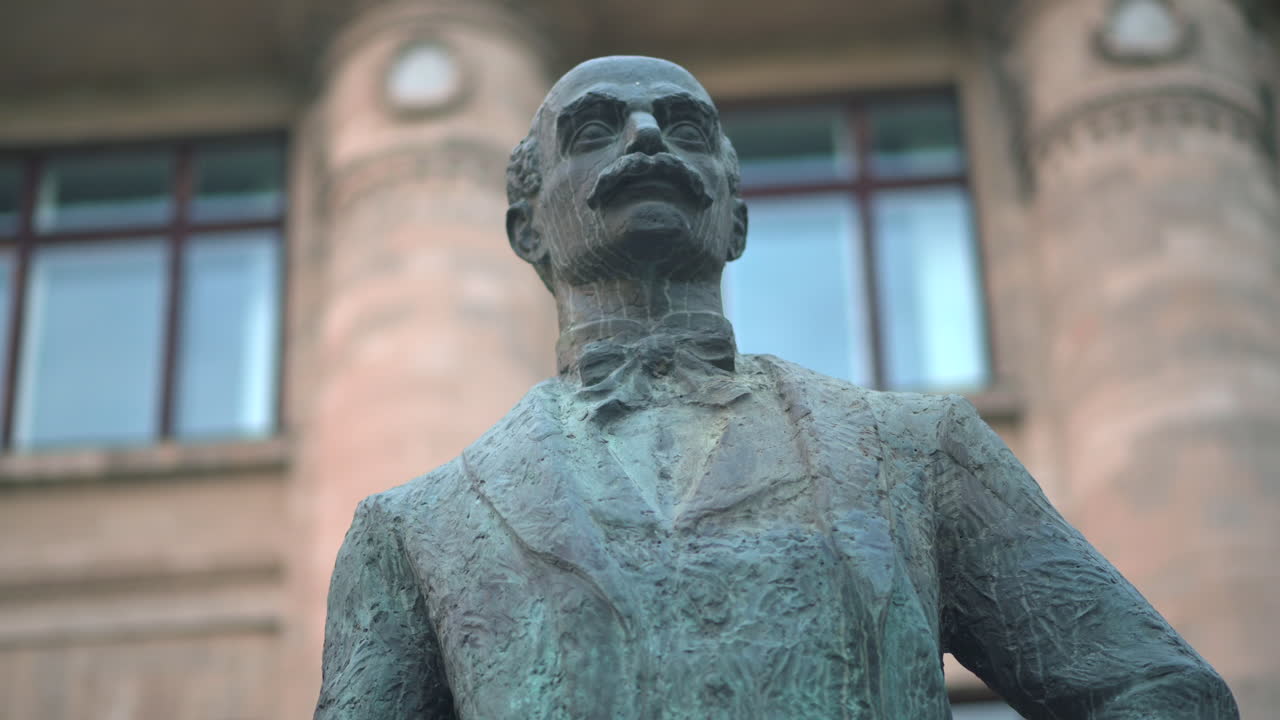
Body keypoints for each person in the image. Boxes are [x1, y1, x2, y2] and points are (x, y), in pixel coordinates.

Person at [314, 55, 1237, 719]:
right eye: (596, 129)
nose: (645, 138)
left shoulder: (915, 451)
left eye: (684, 129)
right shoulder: (415, 530)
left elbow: (1158, 690)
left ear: (737, 217)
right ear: (527, 231)